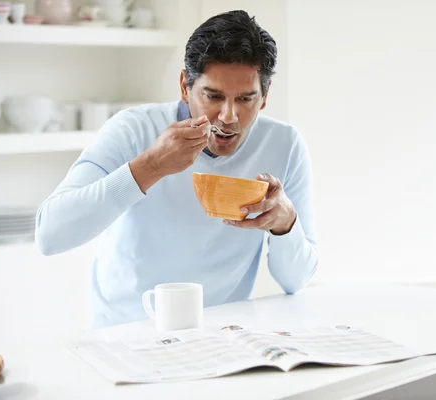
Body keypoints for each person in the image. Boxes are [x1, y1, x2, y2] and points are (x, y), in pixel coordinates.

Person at [35, 10, 318, 329]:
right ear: (185, 85)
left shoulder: (284, 143)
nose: (228, 116)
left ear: (264, 97)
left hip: (225, 334)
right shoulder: (133, 130)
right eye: (213, 96)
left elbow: (297, 282)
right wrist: (150, 167)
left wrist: (286, 223)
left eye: (245, 99)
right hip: (127, 332)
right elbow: (50, 235)